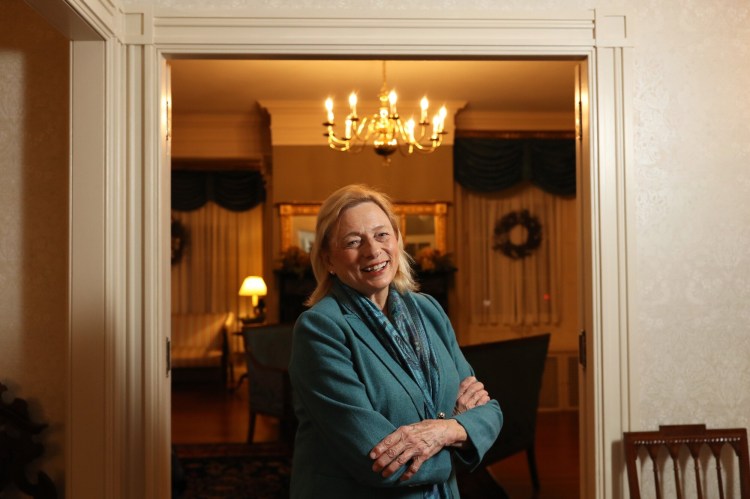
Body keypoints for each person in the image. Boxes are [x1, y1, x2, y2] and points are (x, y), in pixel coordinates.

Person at [288, 184, 503, 499]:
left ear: (398, 241)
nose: (372, 251)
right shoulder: (320, 329)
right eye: (352, 241)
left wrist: (443, 432)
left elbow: (489, 412)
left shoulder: (428, 309)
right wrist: (462, 435)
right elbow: (375, 460)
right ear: (328, 259)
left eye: (381, 235)